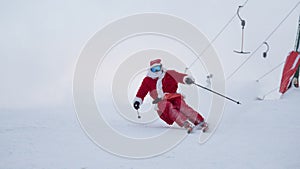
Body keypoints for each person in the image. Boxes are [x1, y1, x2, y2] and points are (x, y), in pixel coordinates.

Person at [133, 59, 207, 133]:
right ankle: (184, 123)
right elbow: (142, 91)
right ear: (150, 69)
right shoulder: (147, 80)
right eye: (154, 69)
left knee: (182, 106)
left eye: (157, 68)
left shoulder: (170, 74)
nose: (156, 71)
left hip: (173, 96)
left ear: (161, 67)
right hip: (160, 101)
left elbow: (180, 77)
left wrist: (186, 79)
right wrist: (138, 101)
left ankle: (199, 121)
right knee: (168, 106)